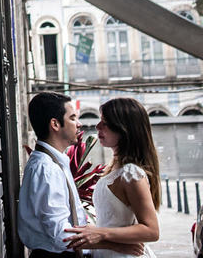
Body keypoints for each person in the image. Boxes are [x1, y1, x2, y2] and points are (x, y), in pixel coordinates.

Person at [19, 92, 143, 258]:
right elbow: (61, 235)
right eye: (72, 118)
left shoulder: (55, 162)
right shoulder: (46, 169)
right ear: (55, 124)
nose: (79, 124)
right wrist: (115, 245)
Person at [63, 98, 161, 258]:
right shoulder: (115, 168)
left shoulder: (131, 173)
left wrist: (101, 234)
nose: (97, 126)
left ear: (124, 129)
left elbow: (151, 230)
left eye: (105, 123)